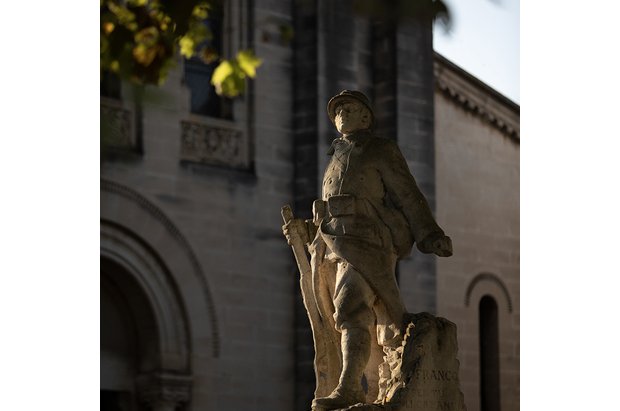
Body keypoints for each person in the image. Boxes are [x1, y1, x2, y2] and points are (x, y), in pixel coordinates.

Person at [283, 90, 452, 410]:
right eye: (337, 110)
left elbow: (407, 193)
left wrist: (430, 234)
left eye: (351, 107)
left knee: (350, 308)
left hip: (367, 243)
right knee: (347, 318)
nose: (342, 112)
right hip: (331, 245)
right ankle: (375, 384)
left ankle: (349, 388)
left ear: (366, 117)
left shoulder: (380, 149)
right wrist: (308, 229)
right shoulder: (334, 156)